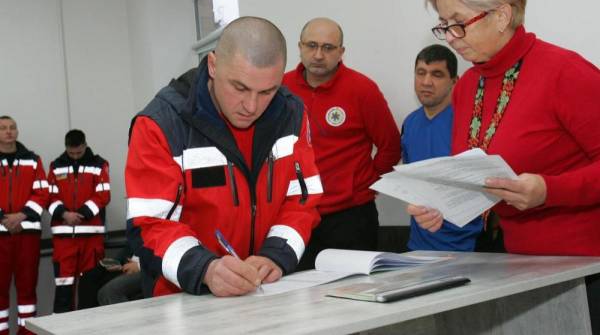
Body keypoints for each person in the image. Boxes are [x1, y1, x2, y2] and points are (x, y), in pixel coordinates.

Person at [407, 0, 600, 332]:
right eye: (443, 25)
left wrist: (549, 190)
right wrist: (444, 206)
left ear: (502, 15)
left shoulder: (565, 72)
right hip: (517, 265)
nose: (450, 38)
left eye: (459, 23)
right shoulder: (467, 87)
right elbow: (481, 176)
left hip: (586, 269)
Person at [125, 16, 322, 298]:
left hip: (265, 293)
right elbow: (150, 225)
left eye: (267, 91)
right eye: (240, 88)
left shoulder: (292, 114)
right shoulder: (161, 123)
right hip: (184, 299)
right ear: (213, 65)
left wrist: (276, 255)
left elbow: (302, 200)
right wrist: (206, 269)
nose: (251, 106)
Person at [283, 17, 401, 270]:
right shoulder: (280, 89)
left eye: (328, 48)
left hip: (350, 217)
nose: (318, 54)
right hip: (294, 215)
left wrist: (367, 181)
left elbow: (390, 145)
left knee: (353, 297)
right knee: (297, 299)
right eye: (311, 45)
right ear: (300, 47)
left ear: (341, 52)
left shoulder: (362, 89)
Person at [402, 44, 482, 251]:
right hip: (418, 247)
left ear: (454, 81)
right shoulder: (410, 123)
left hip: (465, 247)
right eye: (421, 73)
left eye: (437, 74)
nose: (426, 82)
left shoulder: (470, 124)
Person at [47, 129, 110, 312]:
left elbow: (103, 195)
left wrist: (80, 214)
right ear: (66, 147)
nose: (75, 156)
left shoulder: (100, 164)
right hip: (63, 241)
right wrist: (64, 214)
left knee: (89, 289)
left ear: (85, 145)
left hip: (91, 241)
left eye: (79, 152)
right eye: (71, 152)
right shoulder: (55, 166)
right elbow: (49, 196)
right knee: (64, 290)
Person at [0, 116, 48, 335]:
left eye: (12, 128)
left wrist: (20, 216)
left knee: (27, 290)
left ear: (17, 132)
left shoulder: (33, 160)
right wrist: (4, 219)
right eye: (3, 128)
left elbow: (42, 192)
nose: (8, 132)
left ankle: (26, 333)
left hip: (28, 234)